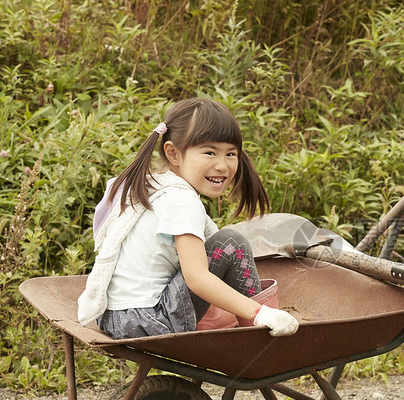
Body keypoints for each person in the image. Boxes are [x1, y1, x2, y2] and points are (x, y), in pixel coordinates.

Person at [77, 98, 299, 339]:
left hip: (115, 316)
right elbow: (196, 277)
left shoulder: (153, 185)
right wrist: (259, 312)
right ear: (173, 153)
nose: (222, 166)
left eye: (230, 154)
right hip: (150, 318)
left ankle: (247, 320)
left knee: (221, 245)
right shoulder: (181, 200)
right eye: (210, 152)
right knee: (230, 243)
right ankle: (263, 331)